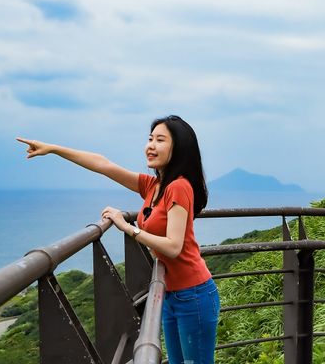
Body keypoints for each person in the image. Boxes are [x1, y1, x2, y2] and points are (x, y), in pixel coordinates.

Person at [16, 115, 219, 364]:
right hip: (170, 293)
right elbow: (103, 164)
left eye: (160, 140)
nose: (151, 145)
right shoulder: (154, 186)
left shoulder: (179, 187)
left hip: (193, 294)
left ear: (178, 148)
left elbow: (174, 247)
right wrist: (55, 149)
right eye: (150, 139)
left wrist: (128, 228)